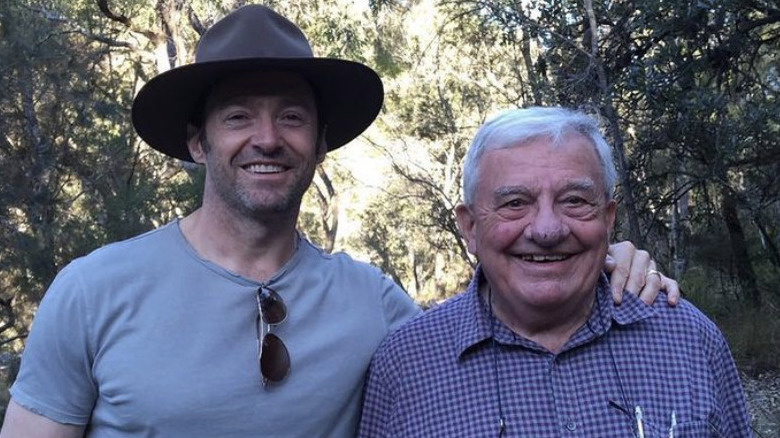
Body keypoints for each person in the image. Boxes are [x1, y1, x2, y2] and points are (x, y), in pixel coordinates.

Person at [0, 6, 677, 438]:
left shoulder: (375, 305)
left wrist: (599, 265)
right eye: (237, 114)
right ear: (197, 142)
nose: (267, 136)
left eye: (291, 116)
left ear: (320, 143)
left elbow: (496, 339)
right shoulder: (92, 292)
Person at [358, 107, 751, 437]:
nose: (547, 230)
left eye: (575, 200)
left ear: (607, 219)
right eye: (514, 203)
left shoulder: (688, 338)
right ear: (471, 228)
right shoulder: (405, 364)